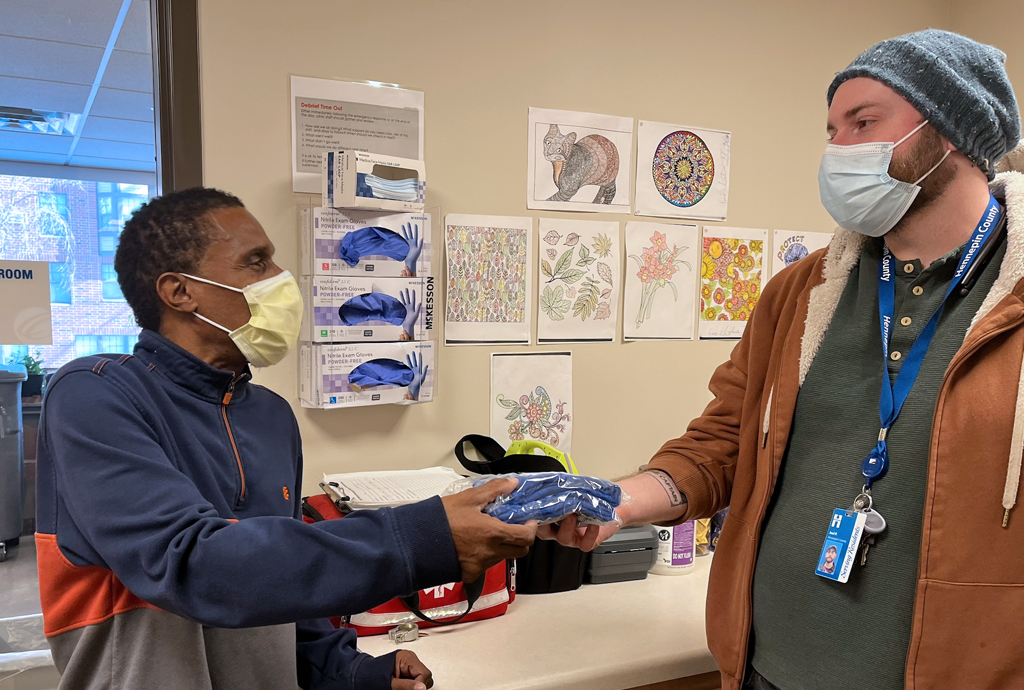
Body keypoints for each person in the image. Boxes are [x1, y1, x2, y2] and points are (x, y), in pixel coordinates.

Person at [542, 30, 1023, 690]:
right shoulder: (800, 293)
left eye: (863, 122)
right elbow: (723, 444)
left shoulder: (1012, 302)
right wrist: (618, 501)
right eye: (831, 129)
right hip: (766, 669)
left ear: (949, 135)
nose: (837, 150)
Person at [35, 188, 537, 690]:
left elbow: (284, 582)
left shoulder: (271, 416)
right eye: (256, 262)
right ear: (179, 291)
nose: (282, 278)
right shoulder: (94, 393)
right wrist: (425, 537)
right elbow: (191, 563)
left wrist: (350, 671)